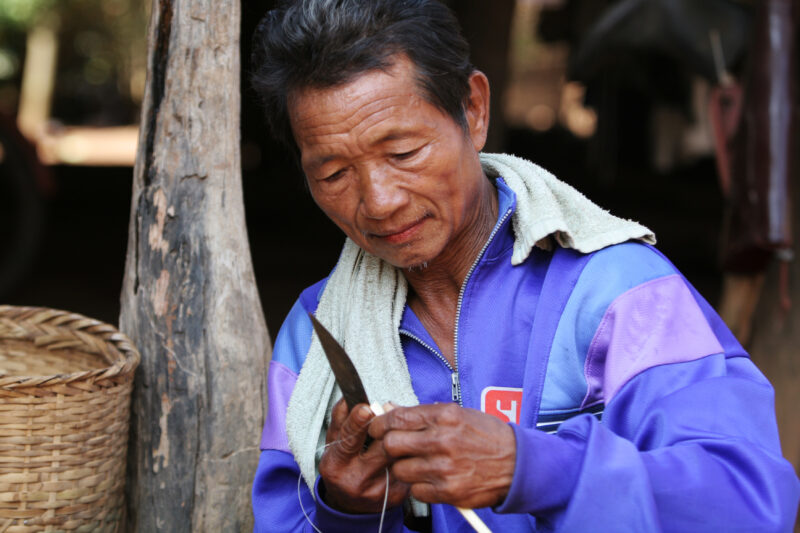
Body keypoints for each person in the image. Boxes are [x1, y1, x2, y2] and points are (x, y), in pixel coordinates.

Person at [249, 1, 800, 531]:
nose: (379, 201)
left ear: (474, 109)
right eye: (333, 175)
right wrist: (346, 510)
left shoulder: (621, 294)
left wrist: (536, 470)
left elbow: (745, 503)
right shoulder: (317, 336)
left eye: (403, 153)